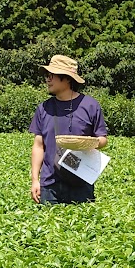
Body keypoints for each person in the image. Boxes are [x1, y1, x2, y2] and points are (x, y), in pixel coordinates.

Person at [29, 54, 108, 205]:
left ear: (67, 78)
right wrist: (34, 180)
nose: (48, 79)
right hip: (49, 184)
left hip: (81, 181)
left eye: (52, 75)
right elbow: (38, 145)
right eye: (47, 75)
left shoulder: (90, 105)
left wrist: (87, 143)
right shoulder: (44, 108)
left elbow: (103, 139)